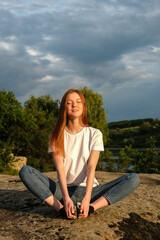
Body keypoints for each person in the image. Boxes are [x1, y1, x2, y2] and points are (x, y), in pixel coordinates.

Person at [19, 89, 140, 219]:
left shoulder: (95, 134)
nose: (74, 105)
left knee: (133, 179)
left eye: (78, 102)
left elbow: (91, 167)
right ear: (64, 108)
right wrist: (65, 199)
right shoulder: (55, 135)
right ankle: (61, 209)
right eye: (69, 102)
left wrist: (87, 200)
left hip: (92, 192)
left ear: (83, 106)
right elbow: (60, 169)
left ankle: (93, 207)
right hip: (62, 191)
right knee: (25, 171)